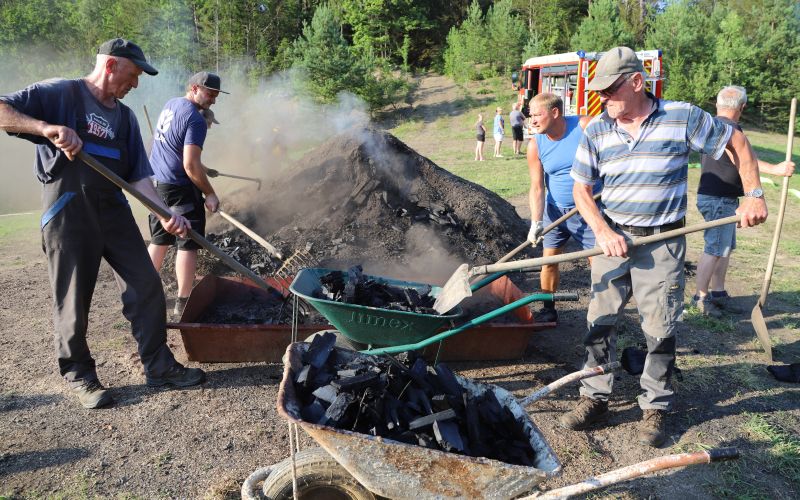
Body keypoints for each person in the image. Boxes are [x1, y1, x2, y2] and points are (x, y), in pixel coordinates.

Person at [564, 47, 767, 447]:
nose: (602, 100)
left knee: (659, 325)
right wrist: (603, 231)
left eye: (609, 91)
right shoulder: (597, 130)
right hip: (613, 238)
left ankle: (655, 406)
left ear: (637, 83)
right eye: (599, 92)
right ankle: (594, 396)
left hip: (662, 240)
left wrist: (754, 193)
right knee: (599, 320)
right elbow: (581, 190)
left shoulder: (681, 117)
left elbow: (737, 142)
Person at [0, 38, 207, 409]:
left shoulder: (125, 117)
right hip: (67, 206)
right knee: (74, 297)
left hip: (113, 208)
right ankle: (80, 374)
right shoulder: (61, 93)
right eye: (134, 73)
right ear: (111, 65)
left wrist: (165, 213)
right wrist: (46, 128)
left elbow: (139, 177)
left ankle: (159, 366)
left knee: (145, 282)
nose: (137, 83)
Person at [692, 86, 795, 317]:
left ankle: (718, 292)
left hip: (723, 198)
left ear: (717, 105)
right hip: (717, 199)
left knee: (724, 248)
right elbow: (741, 159)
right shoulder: (727, 130)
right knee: (715, 248)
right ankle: (699, 297)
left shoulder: (714, 126)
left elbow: (742, 160)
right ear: (742, 107)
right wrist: (776, 169)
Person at [147, 71, 227, 317]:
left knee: (159, 241)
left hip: (157, 184)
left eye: (216, 96)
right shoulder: (195, 119)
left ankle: (142, 295)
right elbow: (189, 165)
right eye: (209, 94)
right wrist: (210, 193)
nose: (213, 100)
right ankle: (183, 302)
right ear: (194, 88)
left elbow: (175, 149)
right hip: (181, 189)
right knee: (188, 244)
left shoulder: (172, 104)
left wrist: (204, 169)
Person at [526, 93, 599, 323]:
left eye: (538, 114)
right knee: (549, 261)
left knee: (597, 261)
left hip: (588, 209)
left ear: (555, 113)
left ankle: (602, 312)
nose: (532, 120)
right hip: (555, 211)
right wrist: (536, 222)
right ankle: (549, 308)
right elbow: (537, 187)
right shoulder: (535, 145)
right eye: (531, 115)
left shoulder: (584, 126)